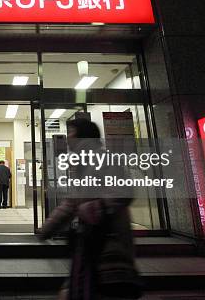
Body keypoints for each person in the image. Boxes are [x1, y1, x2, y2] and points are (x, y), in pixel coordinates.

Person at [38, 118, 141, 300]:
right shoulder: (81, 162)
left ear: (82, 136)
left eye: (71, 132)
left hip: (109, 238)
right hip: (90, 238)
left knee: (105, 286)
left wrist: (95, 207)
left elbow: (124, 191)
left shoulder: (103, 158)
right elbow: (72, 202)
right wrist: (49, 227)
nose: (68, 137)